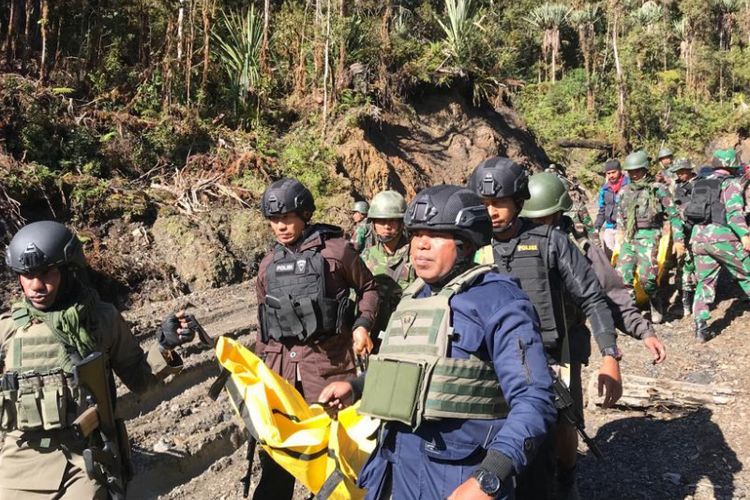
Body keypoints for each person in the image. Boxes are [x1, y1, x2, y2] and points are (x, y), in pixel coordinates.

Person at [319, 185, 556, 500]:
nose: (421, 245)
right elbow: (407, 371)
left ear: (466, 242)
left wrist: (490, 477)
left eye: (436, 235)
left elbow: (534, 400)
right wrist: (356, 387)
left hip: (459, 478)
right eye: (416, 234)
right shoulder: (413, 296)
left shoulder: (500, 300)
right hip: (396, 468)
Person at [0, 221, 189, 498]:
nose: (36, 285)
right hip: (18, 463)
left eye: (47, 272)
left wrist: (165, 346)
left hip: (85, 461)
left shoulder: (102, 319)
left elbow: (141, 380)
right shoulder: (8, 328)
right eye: (26, 275)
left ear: (69, 271)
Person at [469, 157, 621, 499]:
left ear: (519, 201)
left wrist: (609, 355)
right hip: (494, 355)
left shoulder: (551, 242)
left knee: (565, 420)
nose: (491, 211)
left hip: (552, 351)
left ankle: (567, 479)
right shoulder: (473, 247)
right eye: (484, 204)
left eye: (499, 203)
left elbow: (592, 298)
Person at [253, 177, 379, 499]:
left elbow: (368, 289)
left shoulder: (336, 252)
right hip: (282, 380)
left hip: (328, 372)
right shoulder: (267, 266)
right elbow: (264, 326)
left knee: (334, 463)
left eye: (287, 218)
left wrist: (362, 325)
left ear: (304, 214)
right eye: (274, 221)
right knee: (277, 464)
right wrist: (261, 381)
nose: (281, 226)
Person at [521, 172, 667, 365]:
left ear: (558, 215)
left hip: (565, 349)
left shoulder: (581, 250)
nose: (538, 228)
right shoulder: (513, 248)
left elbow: (612, 295)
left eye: (543, 220)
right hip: (520, 347)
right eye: (533, 221)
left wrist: (644, 331)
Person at [683, 150, 750, 341]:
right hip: (721, 237)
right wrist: (745, 235)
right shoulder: (731, 184)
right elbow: (734, 213)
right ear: (732, 164)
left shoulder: (700, 182)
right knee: (747, 272)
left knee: (705, 282)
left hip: (698, 238)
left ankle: (700, 328)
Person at [614, 150, 685, 324]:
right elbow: (620, 217)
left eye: (637, 170)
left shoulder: (657, 190)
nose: (634, 174)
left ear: (645, 169)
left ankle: (654, 299)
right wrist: (619, 237)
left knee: (648, 278)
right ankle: (631, 316)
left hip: (649, 235)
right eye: (631, 171)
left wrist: (678, 240)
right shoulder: (624, 191)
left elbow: (674, 215)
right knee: (623, 277)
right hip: (630, 237)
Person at [360, 190, 416, 348]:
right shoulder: (366, 257)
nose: (386, 226)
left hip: (407, 333)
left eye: (392, 221)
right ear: (373, 223)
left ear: (401, 223)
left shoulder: (415, 255)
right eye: (381, 221)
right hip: (375, 334)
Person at [670, 158, 698, 316]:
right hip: (683, 230)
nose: (679, 175)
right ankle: (686, 304)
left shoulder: (699, 184)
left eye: (682, 172)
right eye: (677, 172)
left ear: (689, 170)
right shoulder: (678, 185)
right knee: (684, 264)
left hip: (698, 229)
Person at [595, 159, 629, 258]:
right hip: (609, 227)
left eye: (614, 172)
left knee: (623, 257)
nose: (611, 175)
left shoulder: (629, 185)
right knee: (609, 256)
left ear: (620, 171)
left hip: (625, 228)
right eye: (608, 173)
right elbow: (602, 210)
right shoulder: (604, 189)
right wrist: (597, 226)